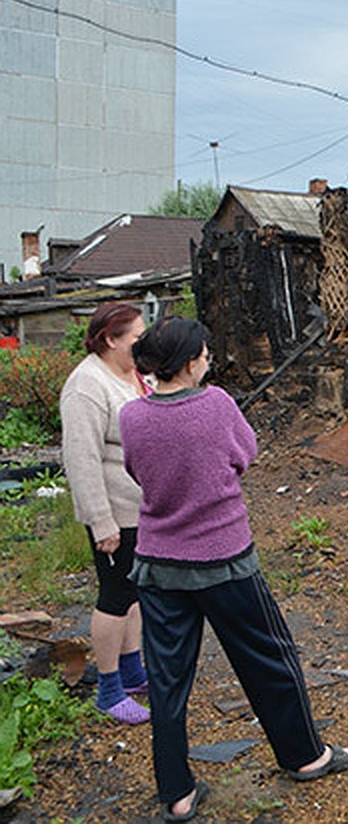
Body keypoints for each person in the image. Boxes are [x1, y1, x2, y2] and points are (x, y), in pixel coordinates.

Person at [119, 317, 348, 821]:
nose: (209, 360)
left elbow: (136, 472)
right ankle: (305, 756)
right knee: (270, 659)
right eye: (205, 353)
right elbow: (244, 456)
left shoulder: (132, 416)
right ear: (189, 362)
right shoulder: (217, 404)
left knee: (167, 681)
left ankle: (177, 795)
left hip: (160, 566)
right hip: (224, 560)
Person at [59, 303, 151, 725]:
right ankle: (109, 689)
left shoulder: (134, 374)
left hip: (140, 509)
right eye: (136, 335)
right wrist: (101, 521)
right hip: (113, 513)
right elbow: (82, 459)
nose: (143, 341)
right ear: (111, 339)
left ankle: (133, 670)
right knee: (114, 598)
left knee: (132, 593)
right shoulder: (86, 385)